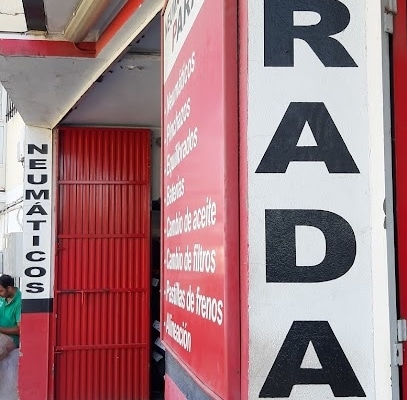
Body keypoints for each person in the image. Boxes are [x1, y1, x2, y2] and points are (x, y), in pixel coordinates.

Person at [0, 275, 21, 350]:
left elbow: (20, 330)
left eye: (1, 291)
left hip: (11, 338)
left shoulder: (19, 302)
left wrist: (0, 329)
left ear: (9, 288)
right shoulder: (3, 297)